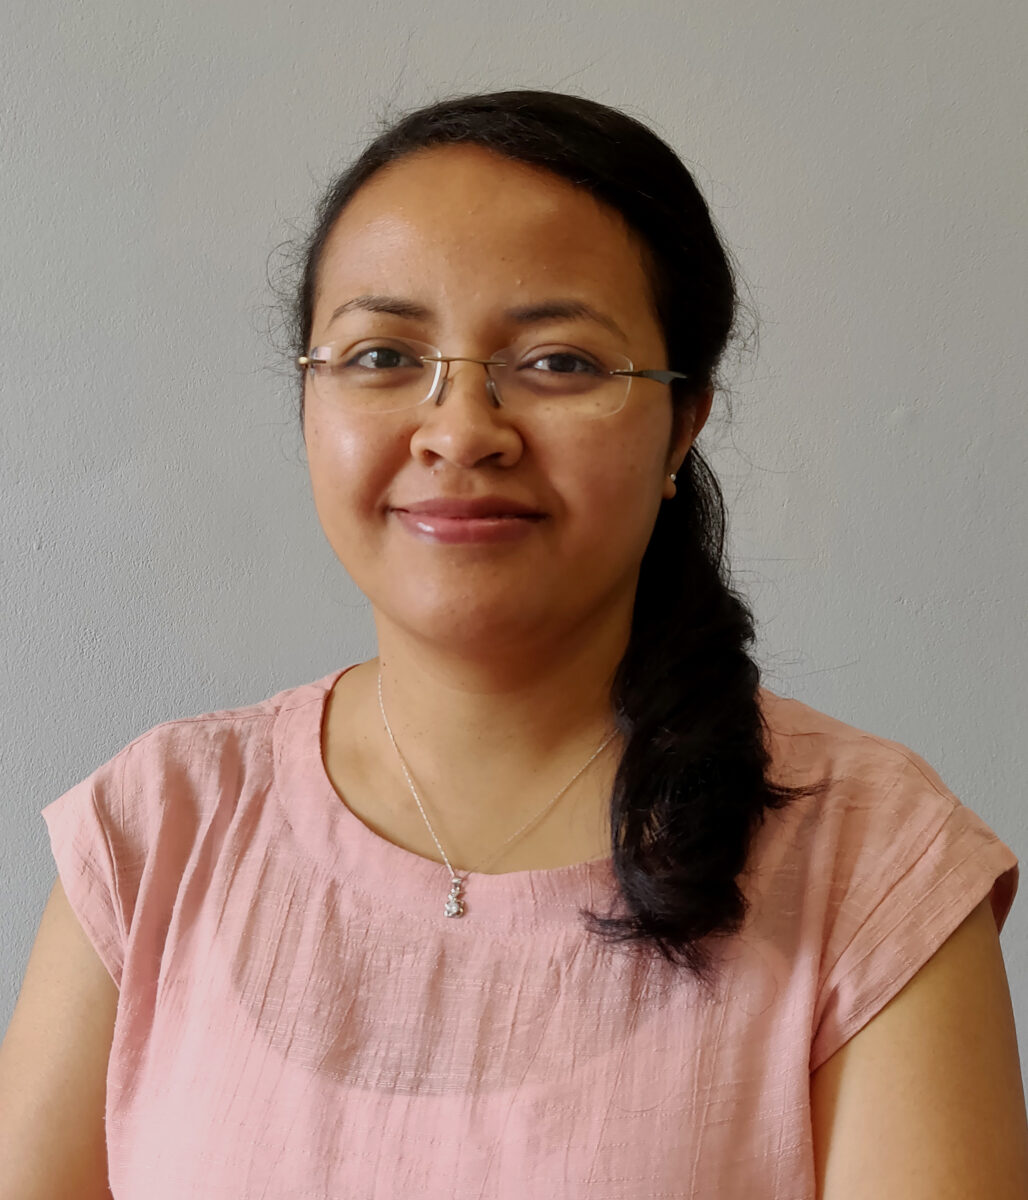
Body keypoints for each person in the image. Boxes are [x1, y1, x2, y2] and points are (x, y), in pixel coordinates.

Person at [2, 89, 1026, 1199]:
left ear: (682, 422)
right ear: (307, 401)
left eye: (559, 363)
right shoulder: (159, 829)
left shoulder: (871, 861)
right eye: (382, 354)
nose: (459, 431)